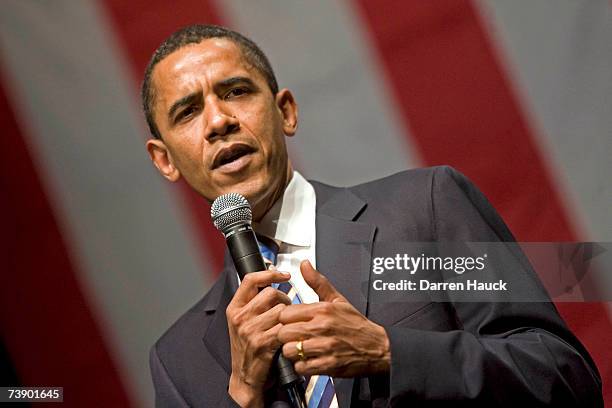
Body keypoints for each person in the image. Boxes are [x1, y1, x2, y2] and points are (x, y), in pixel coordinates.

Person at [142, 24, 602, 407]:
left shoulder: (426, 208)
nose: (219, 121)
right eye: (188, 113)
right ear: (164, 160)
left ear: (286, 111)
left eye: (236, 91)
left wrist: (388, 351)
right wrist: (243, 393)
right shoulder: (178, 359)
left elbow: (565, 376)